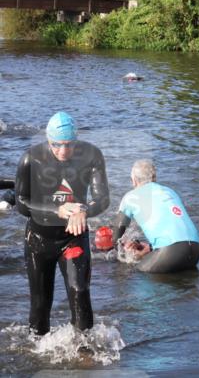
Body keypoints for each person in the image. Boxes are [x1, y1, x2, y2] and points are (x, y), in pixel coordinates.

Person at [15, 112, 110, 336]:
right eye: (56, 145)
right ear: (48, 140)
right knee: (40, 304)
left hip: (73, 238)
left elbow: (103, 198)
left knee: (80, 292)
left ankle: (85, 352)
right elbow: (21, 203)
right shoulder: (31, 158)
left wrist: (84, 210)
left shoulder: (92, 155)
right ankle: (37, 352)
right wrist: (57, 210)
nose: (63, 151)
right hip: (39, 240)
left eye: (69, 145)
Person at [112, 160, 199, 274]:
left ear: (134, 180)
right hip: (196, 251)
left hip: (170, 254)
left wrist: (124, 255)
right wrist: (150, 247)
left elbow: (116, 238)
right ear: (154, 178)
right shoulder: (170, 191)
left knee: (134, 273)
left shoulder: (130, 197)